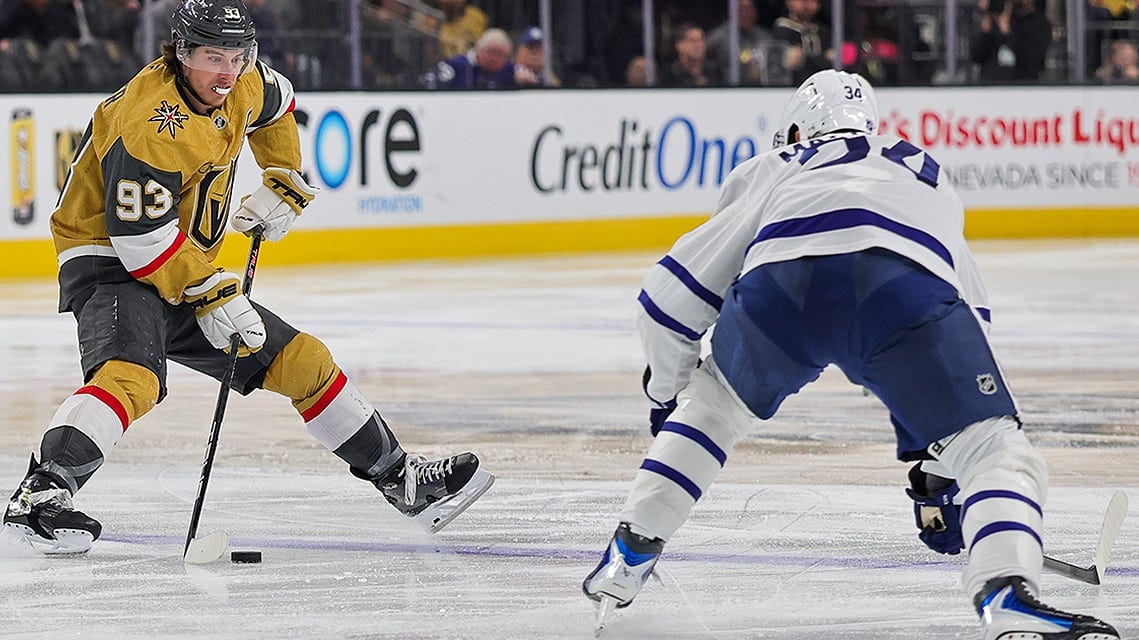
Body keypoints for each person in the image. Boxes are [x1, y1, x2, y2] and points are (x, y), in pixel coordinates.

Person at [582, 69, 1120, 640]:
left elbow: (668, 300)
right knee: (992, 448)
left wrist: (671, 397)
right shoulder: (925, 170)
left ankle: (629, 555)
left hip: (782, 290)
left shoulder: (780, 164)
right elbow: (972, 320)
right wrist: (940, 479)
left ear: (796, 128)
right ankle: (1006, 592)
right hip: (900, 288)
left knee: (714, 406)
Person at [3, 0, 494, 556]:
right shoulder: (148, 120)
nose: (228, 73)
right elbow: (139, 241)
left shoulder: (242, 82)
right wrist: (212, 291)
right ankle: (40, 496)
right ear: (182, 54)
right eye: (214, 57)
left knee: (303, 360)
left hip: (180, 259)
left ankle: (398, 477)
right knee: (132, 374)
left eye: (238, 57)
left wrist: (283, 174)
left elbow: (280, 101)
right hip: (111, 258)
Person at [969, 0, 1052, 83]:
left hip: (1021, 86)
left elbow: (1030, 59)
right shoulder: (999, 20)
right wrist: (985, 33)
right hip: (989, 86)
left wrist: (1008, 33)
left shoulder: (1039, 24)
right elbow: (977, 56)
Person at [420, 27, 515, 89]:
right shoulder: (457, 65)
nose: (495, 59)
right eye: (491, 52)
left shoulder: (509, 69)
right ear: (479, 49)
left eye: (501, 55)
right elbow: (428, 82)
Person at [659, 23, 722, 87]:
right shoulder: (669, 75)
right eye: (692, 40)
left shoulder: (714, 72)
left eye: (702, 40)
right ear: (679, 45)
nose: (698, 45)